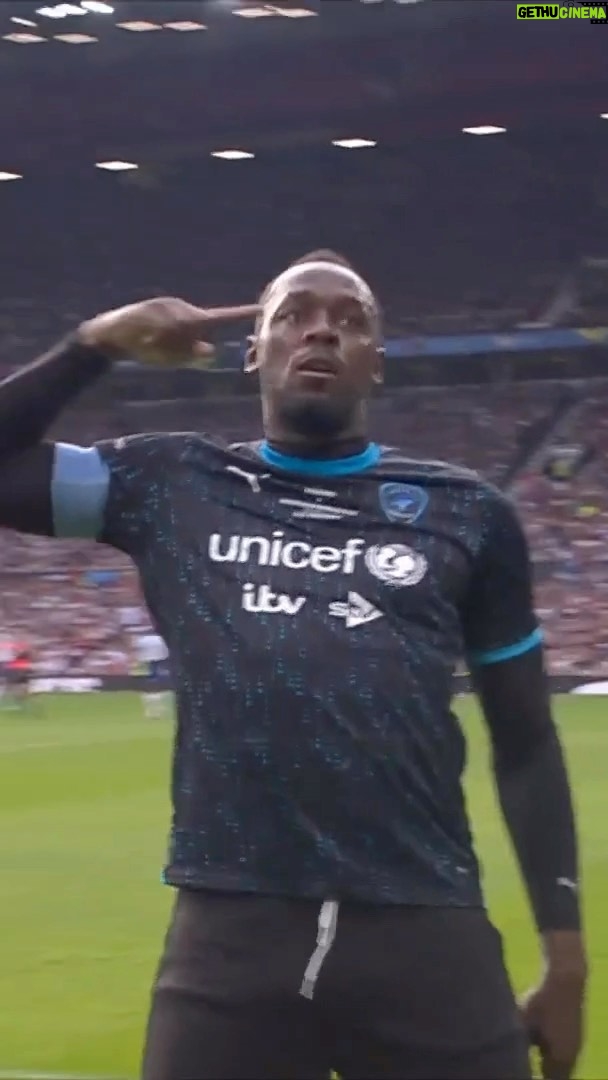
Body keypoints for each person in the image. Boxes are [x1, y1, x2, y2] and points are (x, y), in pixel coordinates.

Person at [0, 254, 586, 1080]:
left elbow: (525, 741)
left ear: (376, 363)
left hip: (426, 930)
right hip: (232, 936)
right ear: (254, 351)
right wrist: (94, 344)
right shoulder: (170, 483)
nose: (321, 329)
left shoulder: (469, 514)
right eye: (292, 314)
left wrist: (566, 959)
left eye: (350, 320)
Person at [135, 628, 170, 718]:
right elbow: (165, 649)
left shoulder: (141, 639)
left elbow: (138, 650)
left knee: (149, 681)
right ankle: (157, 706)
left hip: (146, 661)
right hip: (159, 660)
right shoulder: (160, 638)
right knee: (158, 681)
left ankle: (152, 708)